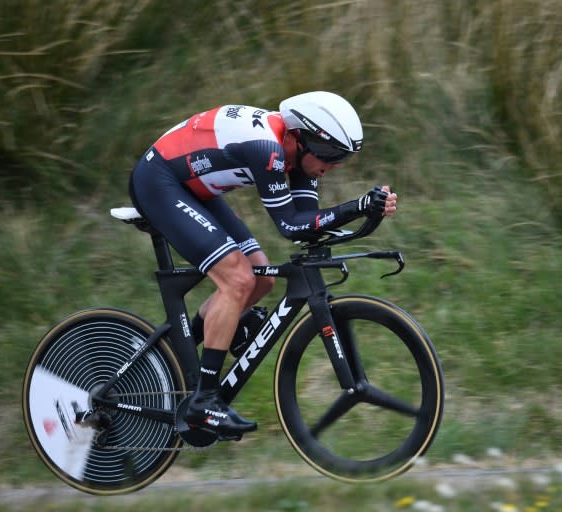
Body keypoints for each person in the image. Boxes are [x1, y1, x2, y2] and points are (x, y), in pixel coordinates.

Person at [129, 91, 398, 438]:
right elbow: (289, 225)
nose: (332, 166)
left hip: (194, 190)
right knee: (238, 280)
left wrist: (367, 211)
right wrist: (356, 205)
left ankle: (170, 357)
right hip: (159, 181)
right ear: (301, 137)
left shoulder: (301, 155)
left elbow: (308, 221)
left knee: (262, 280)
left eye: (341, 158)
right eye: (330, 154)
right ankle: (204, 403)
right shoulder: (266, 149)